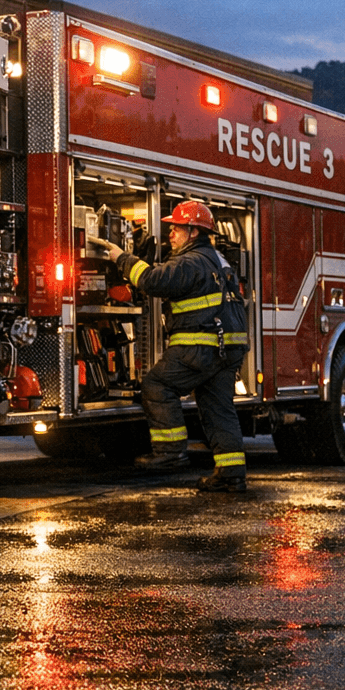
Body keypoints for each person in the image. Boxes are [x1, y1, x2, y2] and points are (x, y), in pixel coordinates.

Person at [89, 200, 250, 493]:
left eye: (175, 229)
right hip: (228, 347)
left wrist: (120, 257)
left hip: (201, 344)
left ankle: (170, 452)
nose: (171, 234)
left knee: (157, 385)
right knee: (218, 408)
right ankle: (231, 473)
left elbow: (152, 281)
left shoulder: (189, 262)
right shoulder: (217, 259)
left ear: (191, 231)